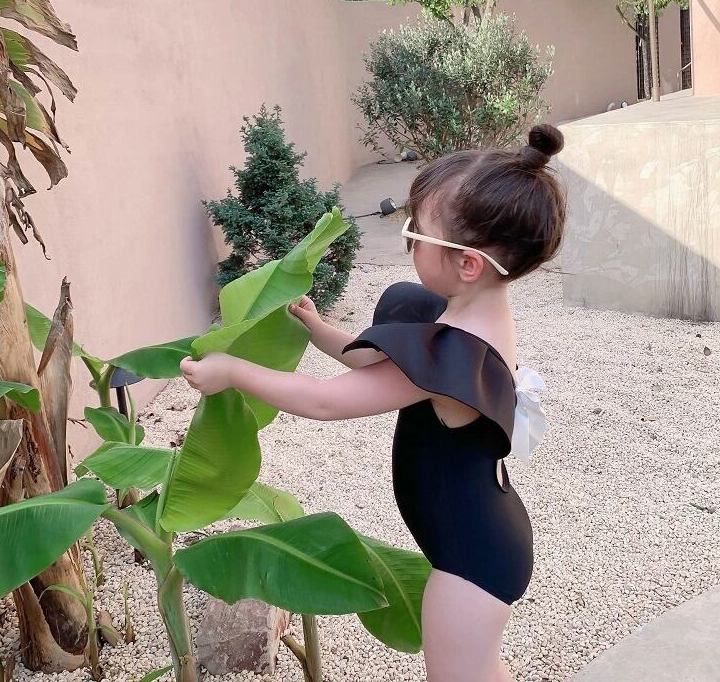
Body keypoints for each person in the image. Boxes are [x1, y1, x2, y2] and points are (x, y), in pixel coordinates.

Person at [180, 124, 567, 682]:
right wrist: (318, 329)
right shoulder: (468, 315)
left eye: (417, 233)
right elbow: (381, 361)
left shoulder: (458, 353)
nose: (409, 242)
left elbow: (325, 402)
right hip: (485, 534)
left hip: (472, 566)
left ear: (468, 264)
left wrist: (232, 371)